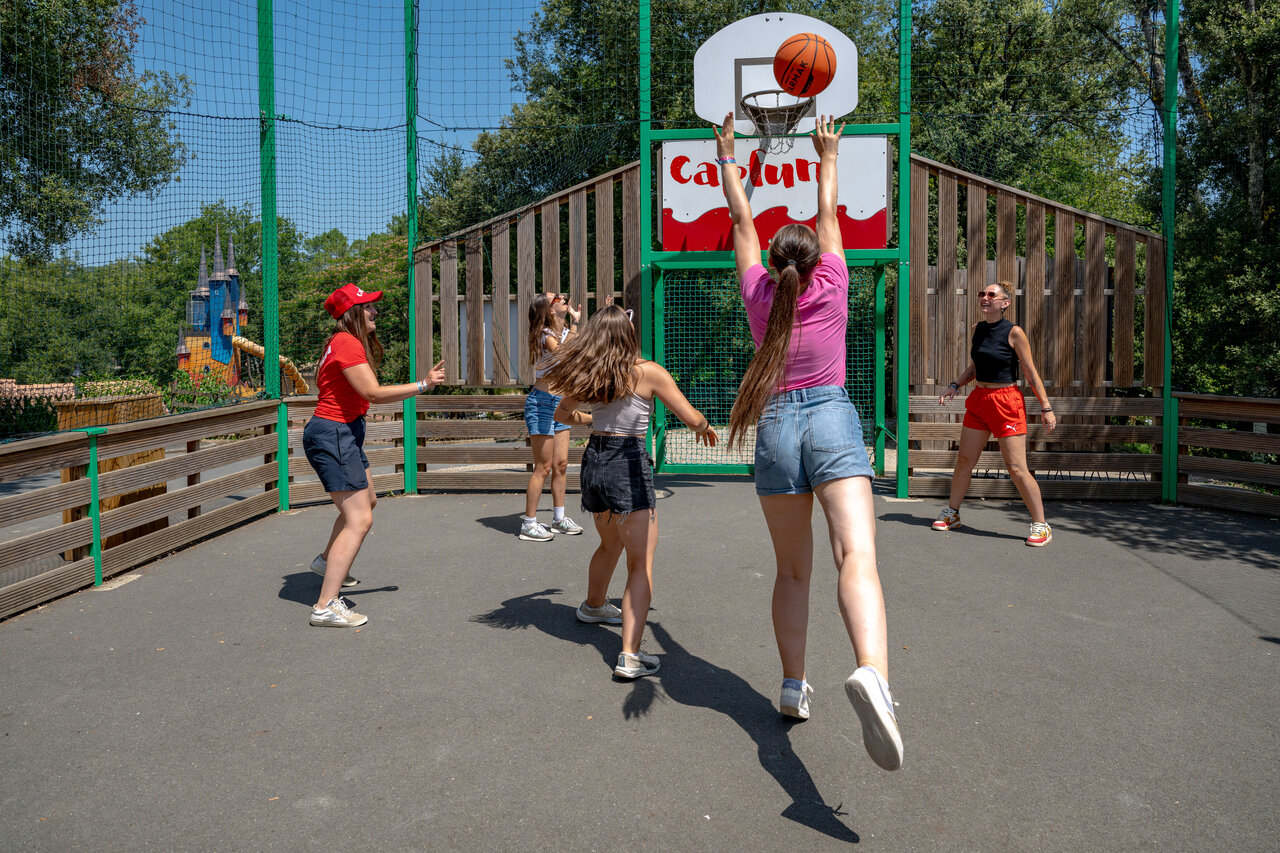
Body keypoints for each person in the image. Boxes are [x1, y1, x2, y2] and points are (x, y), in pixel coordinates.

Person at [713, 112, 903, 770]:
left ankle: (794, 685)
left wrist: (729, 156)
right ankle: (872, 673)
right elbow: (828, 212)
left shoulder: (758, 291)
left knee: (793, 570)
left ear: (770, 263)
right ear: (818, 261)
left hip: (775, 427)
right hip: (829, 417)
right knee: (857, 553)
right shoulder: (833, 282)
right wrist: (828, 153)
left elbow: (741, 222)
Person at [544, 302, 718, 679]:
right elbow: (691, 418)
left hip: (594, 461)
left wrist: (592, 418)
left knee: (610, 544)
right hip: (627, 462)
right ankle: (629, 655)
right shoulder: (648, 372)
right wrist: (704, 427)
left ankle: (593, 606)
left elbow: (561, 415)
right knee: (641, 563)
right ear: (628, 334)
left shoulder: (589, 373)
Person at [303, 283, 445, 627]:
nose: (374, 311)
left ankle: (326, 561)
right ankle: (325, 606)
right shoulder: (346, 343)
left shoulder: (343, 343)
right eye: (367, 307)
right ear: (352, 313)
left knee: (368, 501)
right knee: (360, 519)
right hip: (334, 433)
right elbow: (373, 393)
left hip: (344, 432)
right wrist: (423, 385)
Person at [932, 281, 1058, 545]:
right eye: (982, 294)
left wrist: (1046, 407)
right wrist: (956, 384)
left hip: (1006, 401)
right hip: (980, 399)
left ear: (1005, 303)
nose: (985, 298)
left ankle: (1040, 525)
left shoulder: (1014, 332)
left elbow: (1030, 372)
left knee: (1016, 468)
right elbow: (976, 366)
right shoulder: (977, 329)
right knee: (965, 460)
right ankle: (952, 514)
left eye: (991, 295)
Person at [520, 292, 585, 541]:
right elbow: (564, 355)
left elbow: (578, 347)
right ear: (549, 310)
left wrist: (575, 323)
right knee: (543, 467)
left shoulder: (563, 333)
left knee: (560, 465)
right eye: (558, 298)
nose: (564, 299)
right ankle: (529, 523)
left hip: (560, 401)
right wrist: (575, 328)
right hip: (542, 403)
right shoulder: (545, 335)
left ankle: (558, 519)